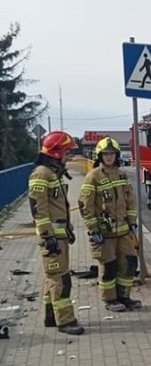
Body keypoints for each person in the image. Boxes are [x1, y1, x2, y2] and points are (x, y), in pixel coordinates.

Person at [28, 131, 85, 335]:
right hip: (52, 238)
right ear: (56, 152)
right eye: (67, 152)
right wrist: (47, 235)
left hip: (58, 236)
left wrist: (66, 230)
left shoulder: (52, 173)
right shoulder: (42, 174)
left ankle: (51, 317)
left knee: (53, 277)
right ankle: (65, 321)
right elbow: (38, 208)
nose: (68, 157)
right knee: (60, 279)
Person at [78, 137, 141, 312]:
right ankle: (110, 299)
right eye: (105, 154)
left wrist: (132, 223)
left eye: (112, 154)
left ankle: (124, 296)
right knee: (109, 267)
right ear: (100, 156)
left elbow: (130, 201)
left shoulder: (121, 175)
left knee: (128, 263)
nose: (109, 157)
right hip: (104, 233)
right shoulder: (93, 177)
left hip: (123, 232)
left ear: (116, 155)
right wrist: (93, 228)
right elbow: (85, 205)